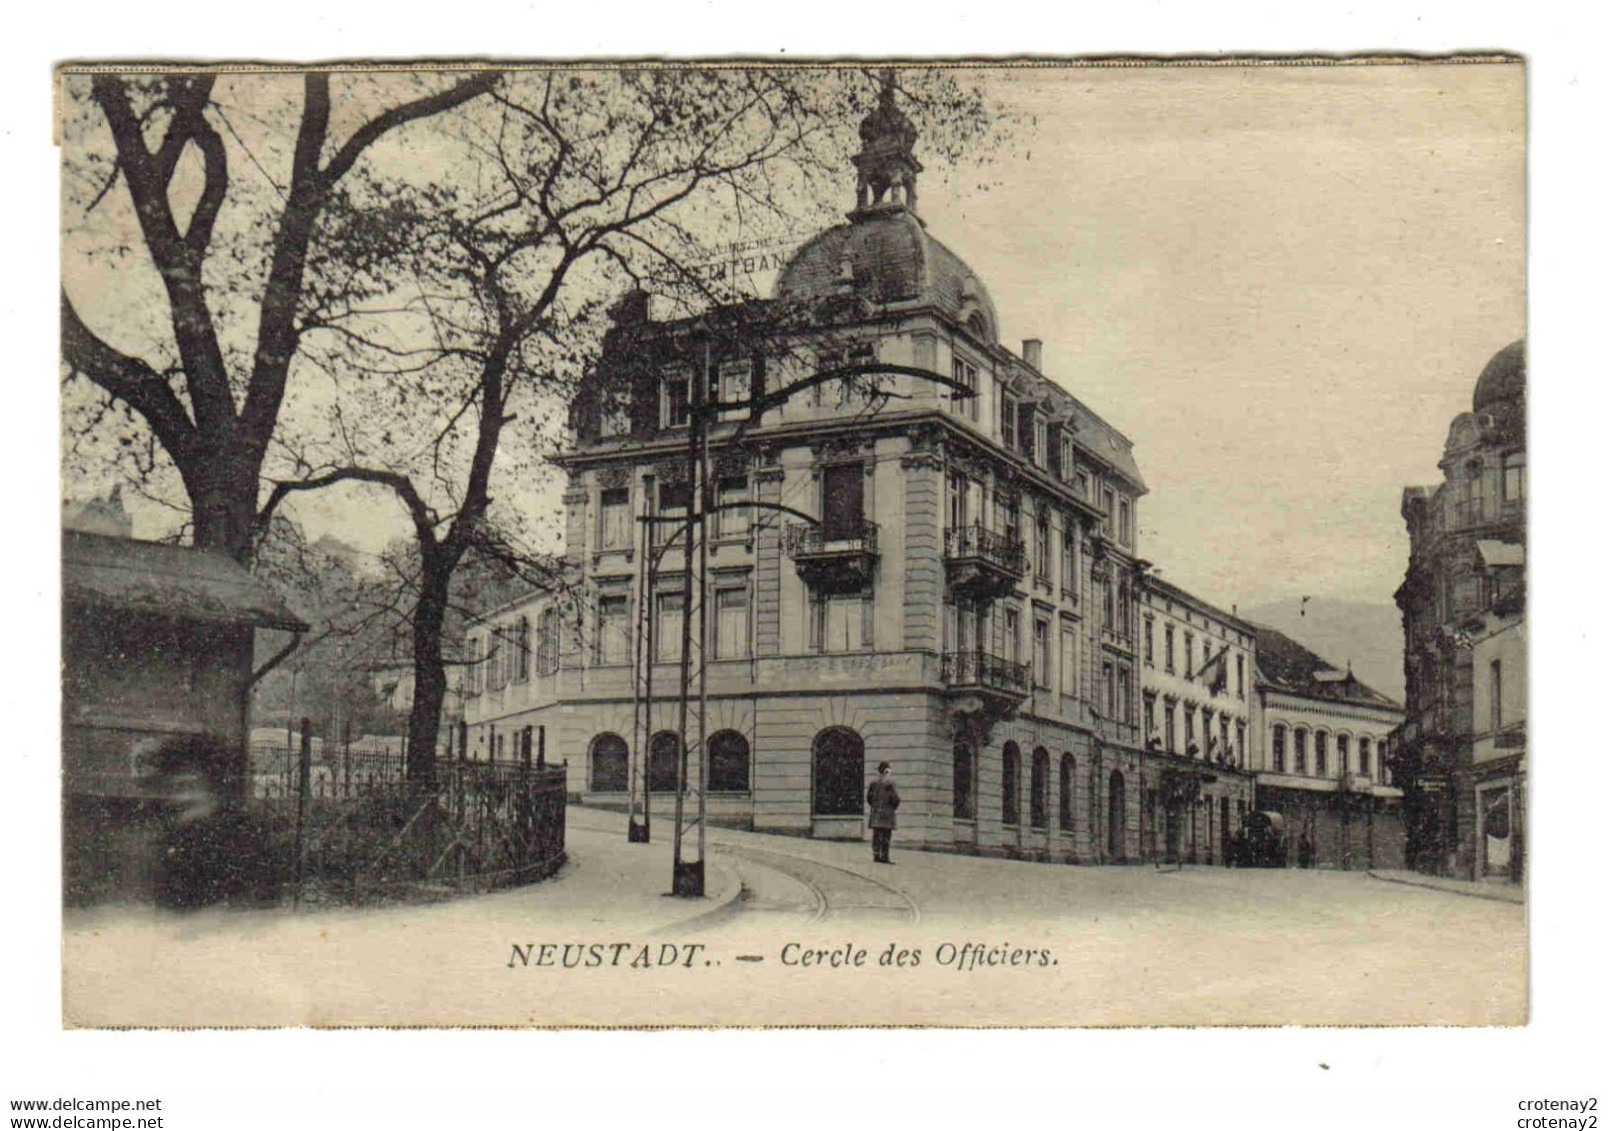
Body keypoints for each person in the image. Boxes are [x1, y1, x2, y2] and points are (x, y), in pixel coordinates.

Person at [148, 734, 285, 911]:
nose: (180, 798)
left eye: (190, 787)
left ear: (215, 787)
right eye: (173, 789)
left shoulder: (244, 838)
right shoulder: (176, 840)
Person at [867, 761, 900, 865]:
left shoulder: (873, 783)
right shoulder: (890, 784)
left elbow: (869, 798)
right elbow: (895, 799)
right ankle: (884, 856)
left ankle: (876, 855)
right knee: (886, 836)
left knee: (877, 835)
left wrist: (875, 806)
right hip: (888, 814)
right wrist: (892, 808)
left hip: (877, 813)